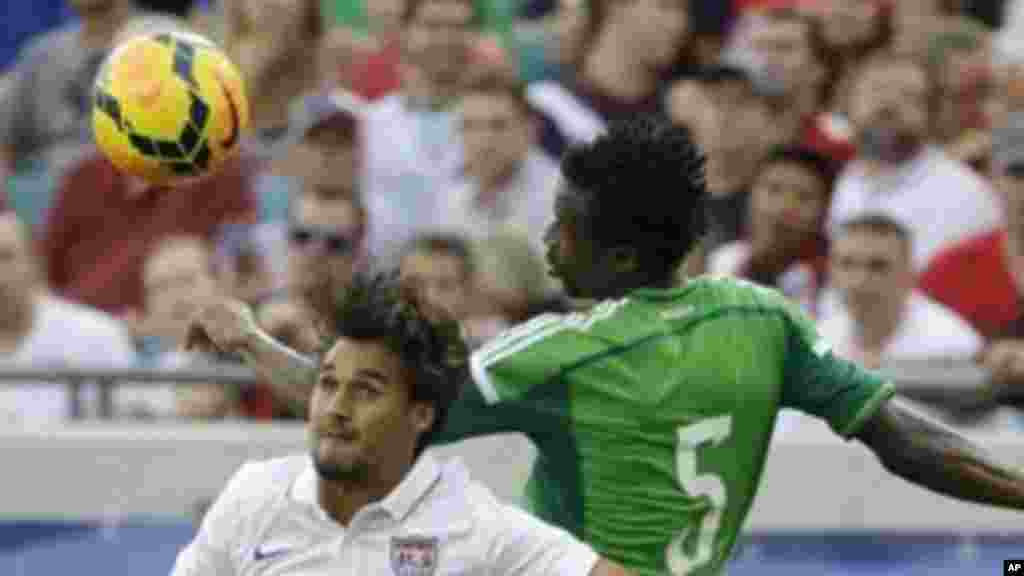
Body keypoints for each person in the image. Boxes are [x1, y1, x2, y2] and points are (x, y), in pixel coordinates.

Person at [188, 118, 1024, 576]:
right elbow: (901, 437)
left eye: (565, 229)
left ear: (618, 256)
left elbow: (371, 409)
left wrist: (245, 336)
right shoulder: (761, 318)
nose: (548, 243)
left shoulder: (557, 354)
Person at [173, 273, 632, 576]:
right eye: (328, 384)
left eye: (367, 391)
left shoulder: (474, 525)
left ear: (421, 414)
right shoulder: (255, 498)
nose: (336, 407)